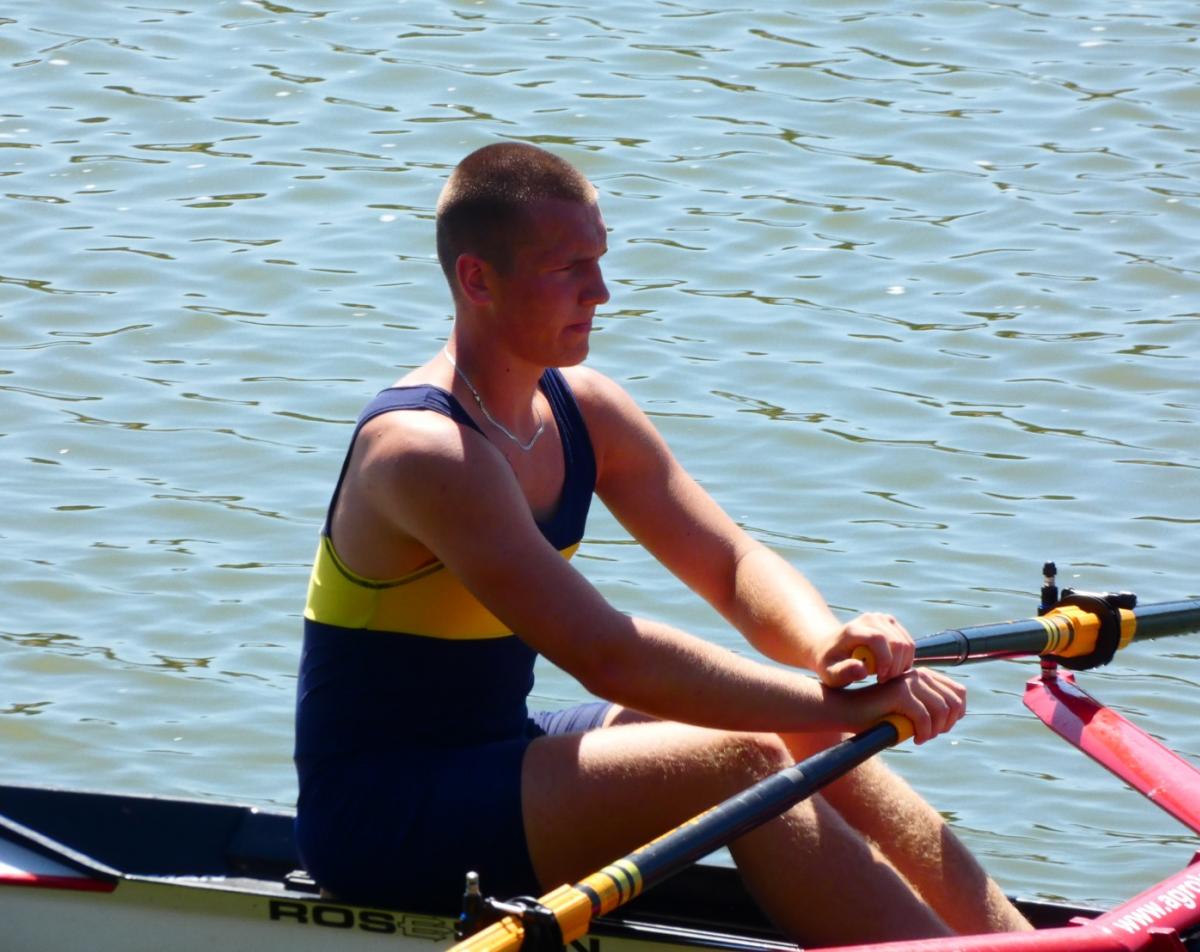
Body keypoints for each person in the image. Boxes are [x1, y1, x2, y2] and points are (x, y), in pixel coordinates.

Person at [294, 142, 1032, 945]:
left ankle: (1015, 942)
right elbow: (607, 653)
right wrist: (842, 703)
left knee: (800, 729)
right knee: (740, 755)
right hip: (381, 811)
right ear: (478, 280)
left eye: (600, 260)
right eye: (567, 269)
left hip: (501, 749)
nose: (600, 292)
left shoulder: (585, 411)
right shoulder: (424, 451)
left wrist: (828, 650)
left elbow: (732, 564)